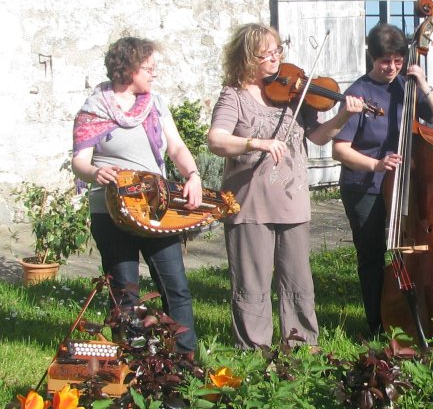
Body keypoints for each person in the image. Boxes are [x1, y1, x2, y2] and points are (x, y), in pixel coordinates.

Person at [207, 23, 363, 350]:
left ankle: (302, 346)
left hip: (292, 200)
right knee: (252, 283)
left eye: (278, 51)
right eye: (266, 54)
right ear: (248, 57)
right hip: (249, 203)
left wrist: (343, 118)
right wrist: (255, 143)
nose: (275, 59)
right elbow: (217, 140)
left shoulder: (293, 93)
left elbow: (317, 136)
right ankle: (254, 349)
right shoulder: (233, 96)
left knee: (298, 281)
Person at [72, 36, 202, 356]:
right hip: (111, 212)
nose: (154, 74)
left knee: (176, 288)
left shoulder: (155, 103)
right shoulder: (93, 110)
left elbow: (176, 147)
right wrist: (93, 174)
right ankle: (131, 362)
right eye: (148, 68)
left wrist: (193, 175)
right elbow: (80, 162)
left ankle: (185, 359)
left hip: (155, 208)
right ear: (129, 69)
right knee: (124, 292)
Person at [332, 23, 433, 337]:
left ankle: (417, 312)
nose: (392, 67)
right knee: (372, 254)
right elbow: (339, 150)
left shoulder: (407, 86)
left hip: (408, 186)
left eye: (398, 60)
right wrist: (376, 164)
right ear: (371, 58)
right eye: (384, 61)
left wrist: (424, 84)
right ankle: (377, 322)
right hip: (365, 186)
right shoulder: (357, 92)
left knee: (414, 249)